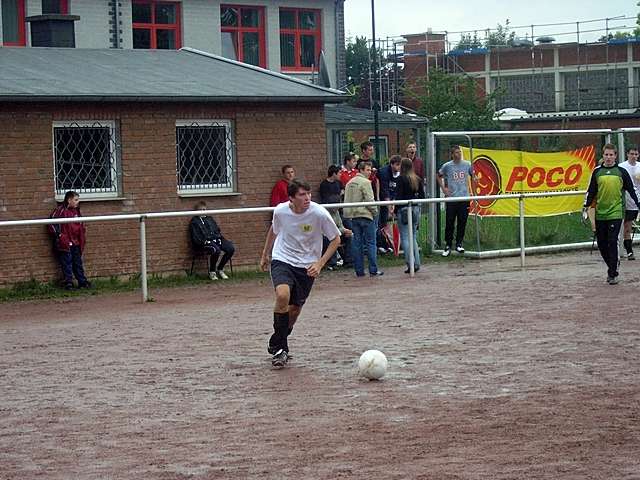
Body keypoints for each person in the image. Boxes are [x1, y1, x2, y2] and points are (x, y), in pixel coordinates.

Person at [260, 179, 341, 367]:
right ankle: (281, 350)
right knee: (282, 295)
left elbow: (335, 239)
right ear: (291, 198)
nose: (307, 198)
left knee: (294, 310)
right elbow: (274, 230)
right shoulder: (280, 210)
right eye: (302, 195)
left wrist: (320, 264)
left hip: (307, 265)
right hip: (283, 259)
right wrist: (265, 254)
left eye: (309, 194)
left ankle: (278, 338)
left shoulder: (319, 213)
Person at [584, 143, 640, 284]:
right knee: (602, 244)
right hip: (600, 213)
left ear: (615, 156)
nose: (608, 157)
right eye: (606, 155)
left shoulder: (621, 172)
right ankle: (613, 264)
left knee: (612, 241)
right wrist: (585, 206)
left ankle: (612, 274)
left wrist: (639, 205)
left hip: (616, 213)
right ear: (603, 156)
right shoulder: (597, 172)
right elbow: (591, 191)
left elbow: (632, 191)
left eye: (611, 155)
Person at [343, 161, 383, 277]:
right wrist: (375, 212)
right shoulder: (366, 182)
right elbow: (370, 200)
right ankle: (373, 269)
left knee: (357, 243)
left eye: (370, 170)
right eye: (367, 170)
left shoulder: (350, 183)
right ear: (361, 170)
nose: (369, 172)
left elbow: (347, 200)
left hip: (354, 216)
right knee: (371, 243)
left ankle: (359, 270)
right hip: (366, 215)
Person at [48, 190, 90, 290]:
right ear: (69, 200)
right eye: (75, 200)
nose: (77, 202)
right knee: (67, 263)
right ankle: (68, 283)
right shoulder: (60, 211)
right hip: (65, 243)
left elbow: (80, 225)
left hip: (76, 242)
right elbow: (51, 224)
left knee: (77, 262)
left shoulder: (77, 211)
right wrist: (60, 236)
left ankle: (82, 282)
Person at [437, 145, 475, 256]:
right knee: (450, 222)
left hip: (464, 197)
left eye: (460, 152)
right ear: (452, 154)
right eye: (456, 153)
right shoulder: (447, 166)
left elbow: (474, 175)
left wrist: (473, 190)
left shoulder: (467, 164)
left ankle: (459, 243)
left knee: (462, 221)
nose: (459, 154)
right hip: (452, 198)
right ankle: (448, 245)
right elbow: (439, 175)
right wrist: (444, 188)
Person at [189, 201, 235, 280]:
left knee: (230, 248)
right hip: (204, 243)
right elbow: (196, 237)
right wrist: (206, 241)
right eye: (201, 210)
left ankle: (220, 269)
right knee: (216, 250)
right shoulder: (194, 222)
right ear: (196, 211)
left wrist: (218, 238)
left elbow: (217, 230)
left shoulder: (210, 219)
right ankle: (212, 272)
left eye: (205, 210)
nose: (203, 212)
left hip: (216, 239)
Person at [395, 157, 425, 273]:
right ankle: (417, 262)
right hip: (416, 209)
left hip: (404, 209)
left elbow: (399, 197)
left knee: (405, 237)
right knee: (413, 237)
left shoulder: (401, 179)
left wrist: (395, 210)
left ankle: (410, 263)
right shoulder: (417, 179)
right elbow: (422, 196)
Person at [618, 146, 640, 260]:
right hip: (626, 200)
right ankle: (629, 251)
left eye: (636, 154)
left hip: (638, 200)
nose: (634, 156)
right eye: (632, 154)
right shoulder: (622, 167)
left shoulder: (639, 166)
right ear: (627, 154)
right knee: (627, 226)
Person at [378, 154, 402, 230]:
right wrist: (389, 206)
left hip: (393, 197)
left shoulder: (400, 173)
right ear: (391, 164)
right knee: (383, 220)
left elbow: (398, 189)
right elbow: (384, 190)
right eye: (397, 165)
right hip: (382, 199)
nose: (399, 167)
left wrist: (394, 202)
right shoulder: (384, 172)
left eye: (400, 165)